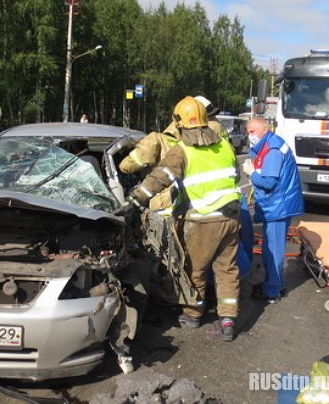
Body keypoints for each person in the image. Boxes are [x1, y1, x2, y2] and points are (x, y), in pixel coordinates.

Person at [128, 96, 241, 342]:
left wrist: (136, 200)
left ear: (178, 121)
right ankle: (228, 318)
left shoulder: (183, 150)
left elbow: (159, 178)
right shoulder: (224, 145)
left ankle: (192, 314)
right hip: (232, 217)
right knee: (226, 269)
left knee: (195, 270)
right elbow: (235, 175)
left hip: (204, 219)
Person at [242, 118, 304, 303]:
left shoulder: (273, 150)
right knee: (269, 248)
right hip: (276, 204)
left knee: (274, 249)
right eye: (248, 132)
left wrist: (251, 173)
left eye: (252, 132)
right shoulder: (269, 145)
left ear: (264, 129)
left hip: (278, 206)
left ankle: (272, 289)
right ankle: (272, 283)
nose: (249, 136)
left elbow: (269, 182)